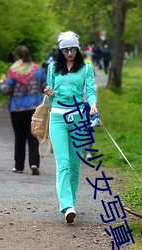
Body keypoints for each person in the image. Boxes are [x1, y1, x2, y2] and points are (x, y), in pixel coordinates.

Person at [44, 31, 97, 223]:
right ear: (60, 50)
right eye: (65, 50)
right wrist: (49, 92)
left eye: (73, 49)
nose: (69, 53)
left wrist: (92, 104)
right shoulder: (52, 68)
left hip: (79, 118)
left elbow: (90, 90)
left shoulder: (86, 68)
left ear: (78, 48)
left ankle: (71, 201)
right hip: (57, 117)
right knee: (63, 163)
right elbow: (50, 97)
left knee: (75, 164)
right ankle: (66, 205)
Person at [0, 45, 47, 175]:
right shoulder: (38, 70)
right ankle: (34, 163)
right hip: (34, 109)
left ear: (17, 57)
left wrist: (1, 83)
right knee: (33, 137)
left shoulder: (13, 71)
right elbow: (45, 87)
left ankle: (19, 166)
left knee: (19, 138)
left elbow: (6, 90)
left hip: (17, 109)